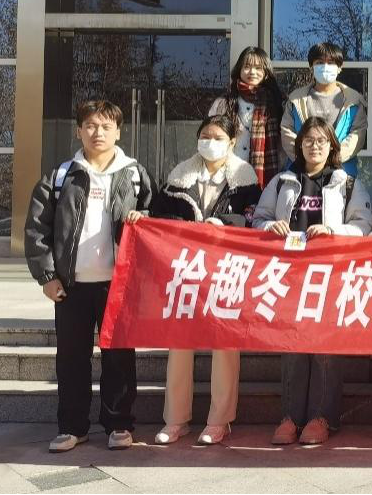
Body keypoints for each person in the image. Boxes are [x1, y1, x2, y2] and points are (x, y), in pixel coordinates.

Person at [25, 100, 154, 453]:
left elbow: (154, 218)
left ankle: (119, 424)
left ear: (119, 132)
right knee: (71, 359)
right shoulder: (61, 176)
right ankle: (72, 427)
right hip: (71, 285)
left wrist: (142, 218)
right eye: (91, 126)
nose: (98, 133)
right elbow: (37, 229)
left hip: (117, 285)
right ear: (78, 130)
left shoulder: (134, 174)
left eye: (106, 126)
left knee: (119, 358)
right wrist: (47, 276)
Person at [254, 117, 372, 446]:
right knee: (292, 345)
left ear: (332, 146)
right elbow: (259, 219)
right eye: (308, 140)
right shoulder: (282, 181)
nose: (315, 146)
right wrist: (269, 228)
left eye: (321, 141)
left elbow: (363, 226)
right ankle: (291, 417)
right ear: (299, 145)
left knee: (325, 347)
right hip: (289, 275)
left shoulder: (347, 183)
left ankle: (322, 417)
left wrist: (332, 231)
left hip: (330, 275)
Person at [150, 114, 261, 447]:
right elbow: (160, 216)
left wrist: (223, 223)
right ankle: (175, 419)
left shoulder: (245, 177)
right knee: (179, 344)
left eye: (217, 137)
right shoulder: (179, 176)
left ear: (232, 142)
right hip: (187, 270)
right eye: (205, 136)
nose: (209, 142)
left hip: (227, 269)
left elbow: (254, 218)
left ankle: (218, 420)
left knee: (224, 345)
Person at [280, 42, 366, 176]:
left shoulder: (354, 101)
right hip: (301, 173)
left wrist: (332, 159)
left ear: (340, 67)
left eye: (331, 62)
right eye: (319, 62)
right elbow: (287, 132)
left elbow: (357, 135)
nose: (325, 67)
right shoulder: (295, 100)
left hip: (342, 173)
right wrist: (307, 159)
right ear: (311, 67)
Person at [208, 45, 286, 187]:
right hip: (228, 178)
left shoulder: (277, 103)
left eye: (258, 68)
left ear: (266, 72)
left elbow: (283, 145)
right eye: (247, 67)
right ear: (239, 70)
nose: (252, 72)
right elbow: (210, 136)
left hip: (267, 180)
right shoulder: (223, 103)